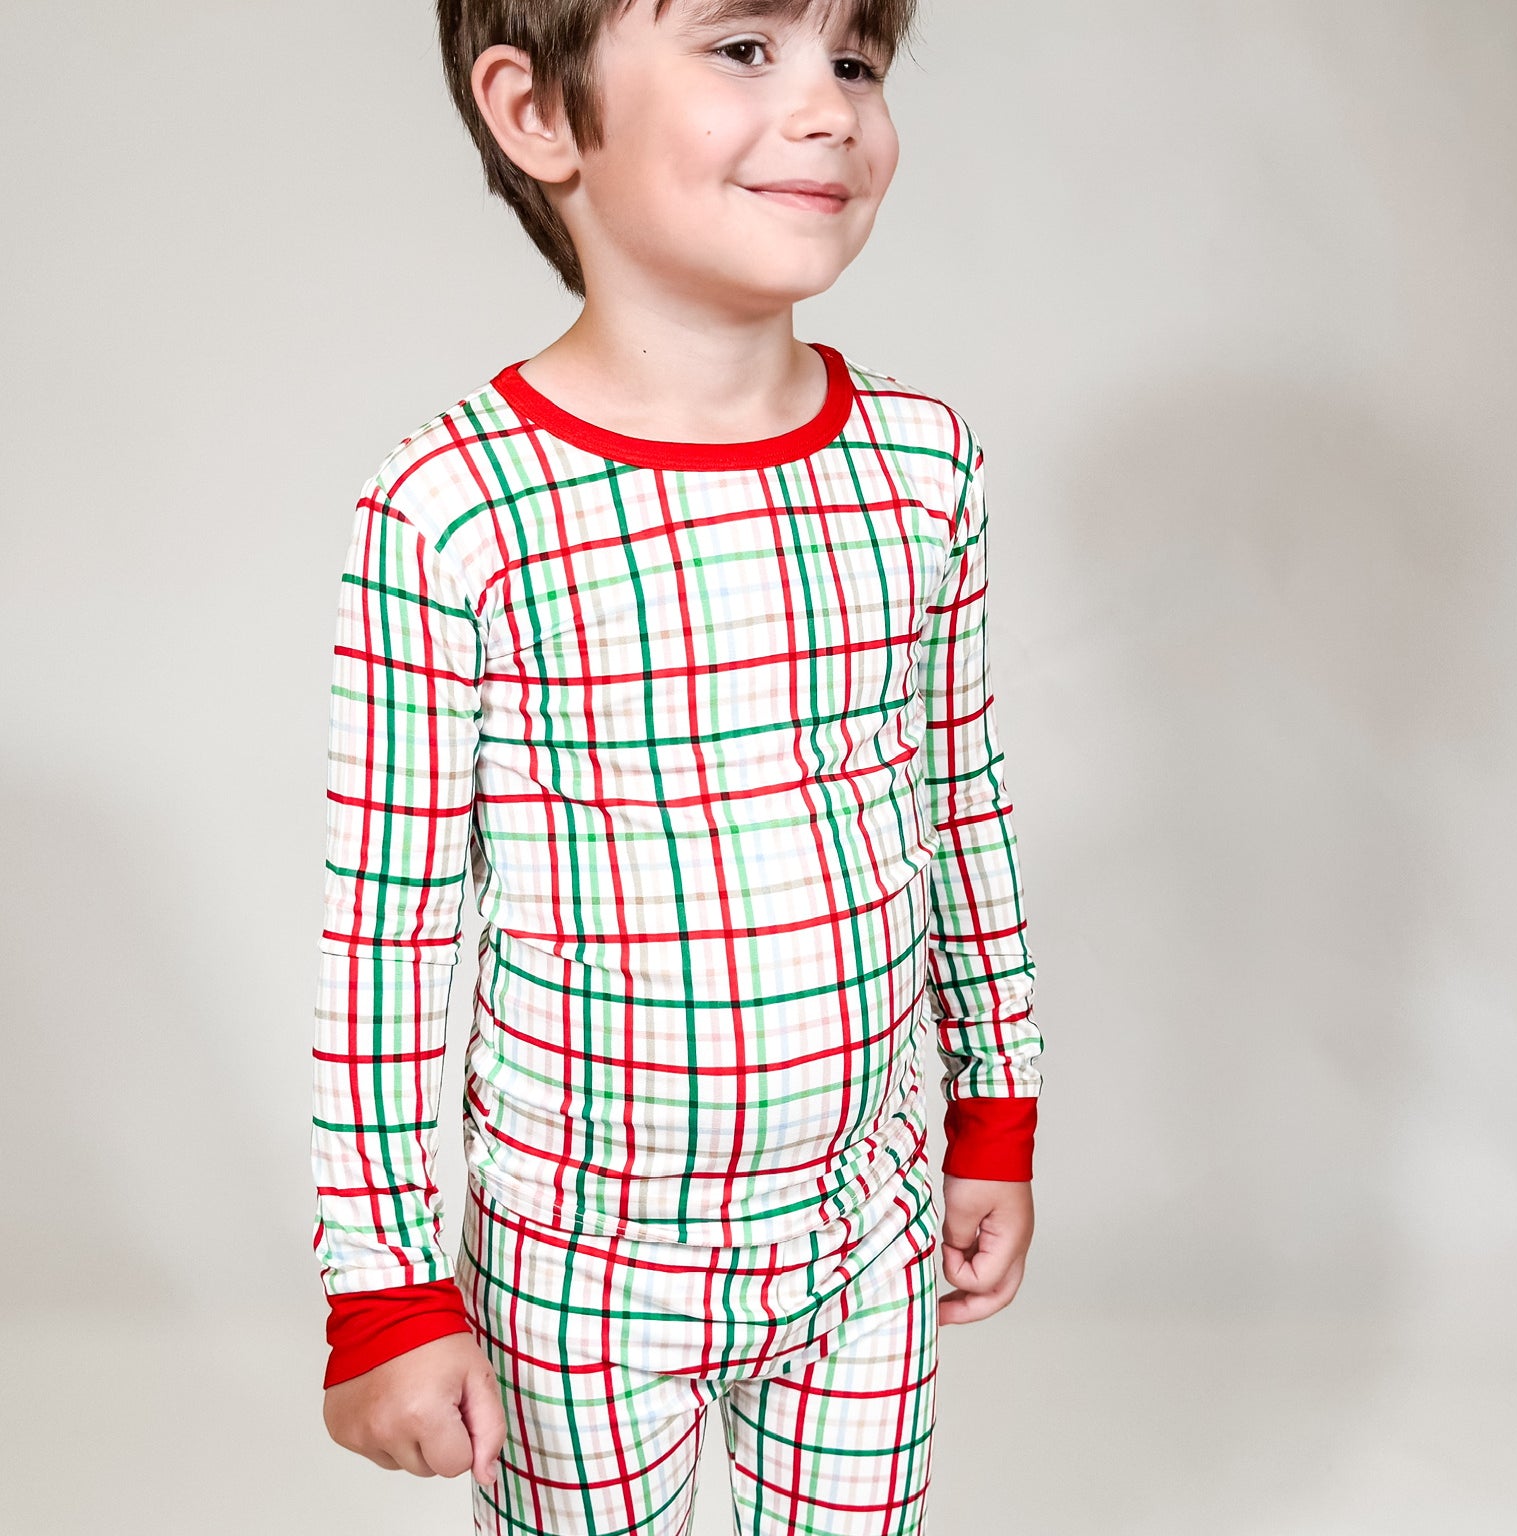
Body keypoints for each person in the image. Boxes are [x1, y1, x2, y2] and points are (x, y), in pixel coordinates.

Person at [310, 2, 1044, 1531]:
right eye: (745, 48)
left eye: (856, 60)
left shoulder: (923, 470)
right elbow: (386, 927)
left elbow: (958, 806)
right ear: (536, 112)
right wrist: (385, 1291)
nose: (829, 108)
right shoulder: (456, 509)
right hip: (580, 1263)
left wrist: (995, 1109)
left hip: (861, 1229)